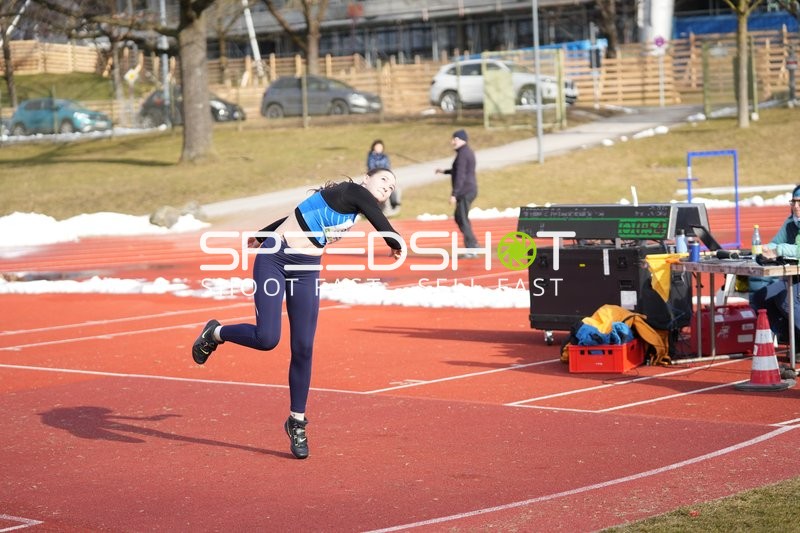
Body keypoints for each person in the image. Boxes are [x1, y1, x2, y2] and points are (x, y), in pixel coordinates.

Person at [191, 168, 403, 460]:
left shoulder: (348, 205)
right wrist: (397, 243)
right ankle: (214, 333)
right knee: (267, 338)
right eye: (383, 180)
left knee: (303, 348)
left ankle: (297, 421)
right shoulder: (353, 191)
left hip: (306, 269)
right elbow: (380, 222)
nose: (387, 188)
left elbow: (298, 214)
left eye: (392, 187)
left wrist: (262, 232)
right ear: (365, 178)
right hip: (275, 259)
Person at [750, 184, 800, 342]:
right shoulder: (791, 222)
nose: (795, 206)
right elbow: (775, 243)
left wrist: (779, 250)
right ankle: (790, 338)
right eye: (793, 203)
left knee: (786, 300)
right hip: (795, 277)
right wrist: (765, 250)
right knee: (760, 298)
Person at [436, 129, 479, 255]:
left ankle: (472, 247)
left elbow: (460, 176)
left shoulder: (463, 154)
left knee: (461, 218)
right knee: (460, 217)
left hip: (465, 191)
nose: (452, 142)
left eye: (455, 139)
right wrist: (444, 171)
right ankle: (472, 244)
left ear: (462, 140)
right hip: (467, 190)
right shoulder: (464, 153)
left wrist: (454, 194)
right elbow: (458, 170)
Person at [367, 139, 401, 216]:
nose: (379, 148)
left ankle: (395, 205)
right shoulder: (371, 156)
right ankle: (382, 210)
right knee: (382, 190)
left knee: (396, 189)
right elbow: (371, 167)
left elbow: (387, 167)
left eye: (380, 147)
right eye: (377, 147)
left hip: (385, 177)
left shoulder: (385, 157)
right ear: (374, 147)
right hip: (375, 178)